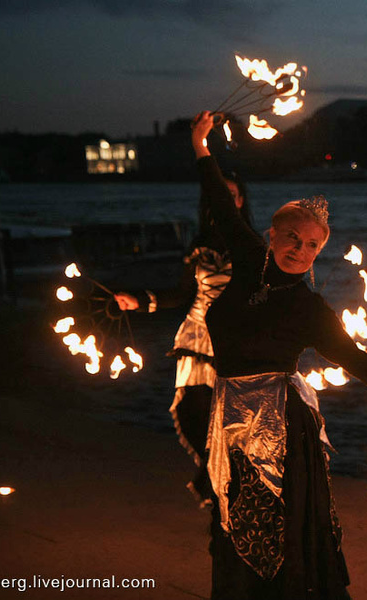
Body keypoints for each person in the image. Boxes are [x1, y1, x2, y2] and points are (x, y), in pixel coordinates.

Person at [190, 110, 367, 600]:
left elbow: (350, 355)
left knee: (274, 529)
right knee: (232, 518)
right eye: (293, 238)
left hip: (279, 425)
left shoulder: (308, 306)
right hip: (228, 413)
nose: (301, 250)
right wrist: (202, 147)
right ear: (271, 233)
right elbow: (221, 204)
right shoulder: (247, 261)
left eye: (312, 246)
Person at [114, 161, 251, 504]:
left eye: (231, 194)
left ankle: (233, 490)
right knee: (194, 412)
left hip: (235, 342)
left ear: (240, 201)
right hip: (196, 336)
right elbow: (181, 294)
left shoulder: (252, 246)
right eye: (218, 194)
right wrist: (139, 301)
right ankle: (214, 483)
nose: (224, 199)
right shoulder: (198, 245)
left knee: (235, 423)